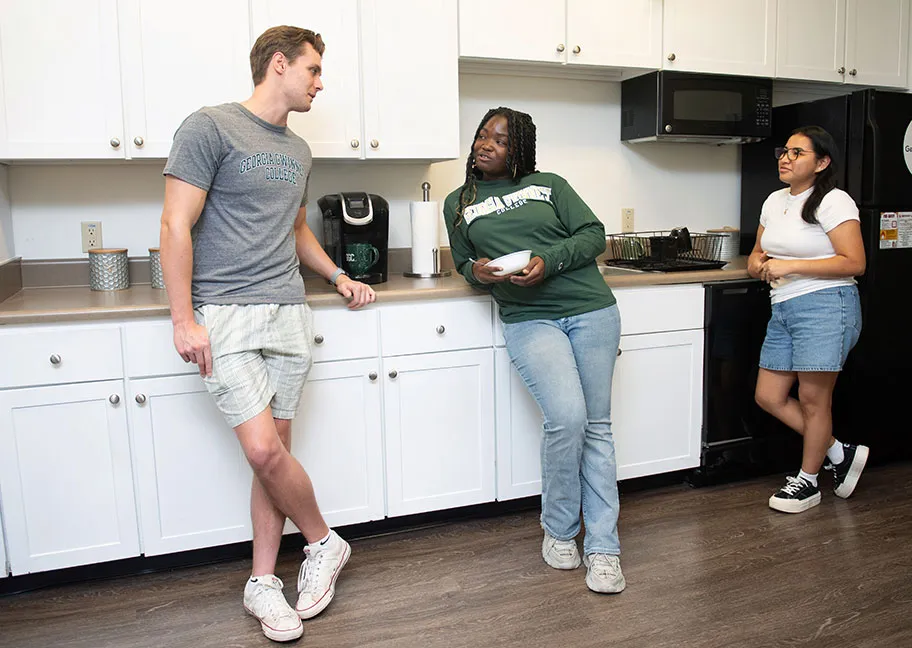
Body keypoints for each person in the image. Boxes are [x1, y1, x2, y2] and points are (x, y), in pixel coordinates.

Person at [159, 26, 376, 642]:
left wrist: (337, 276)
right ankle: (325, 543)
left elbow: (296, 228)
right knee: (262, 451)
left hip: (288, 311)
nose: (319, 82)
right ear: (278, 64)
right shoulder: (210, 127)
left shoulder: (299, 151)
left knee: (271, 461)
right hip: (225, 313)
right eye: (312, 70)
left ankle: (262, 585)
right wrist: (183, 319)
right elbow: (175, 224)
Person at [443, 107, 625, 594]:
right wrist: (477, 273)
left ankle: (604, 548)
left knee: (598, 427)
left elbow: (593, 236)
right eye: (483, 135)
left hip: (590, 308)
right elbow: (463, 262)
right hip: (529, 317)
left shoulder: (551, 185)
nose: (486, 144)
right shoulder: (459, 200)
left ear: (519, 149)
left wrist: (549, 260)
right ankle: (560, 529)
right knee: (567, 419)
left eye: (500, 140)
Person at [748, 125, 868, 514]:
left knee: (815, 400)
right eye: (784, 151)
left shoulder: (835, 202)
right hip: (782, 307)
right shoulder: (774, 200)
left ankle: (808, 482)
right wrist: (758, 264)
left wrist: (791, 266)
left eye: (797, 153)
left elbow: (855, 262)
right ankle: (838, 451)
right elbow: (757, 254)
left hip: (826, 305)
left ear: (822, 162)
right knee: (768, 395)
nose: (786, 157)